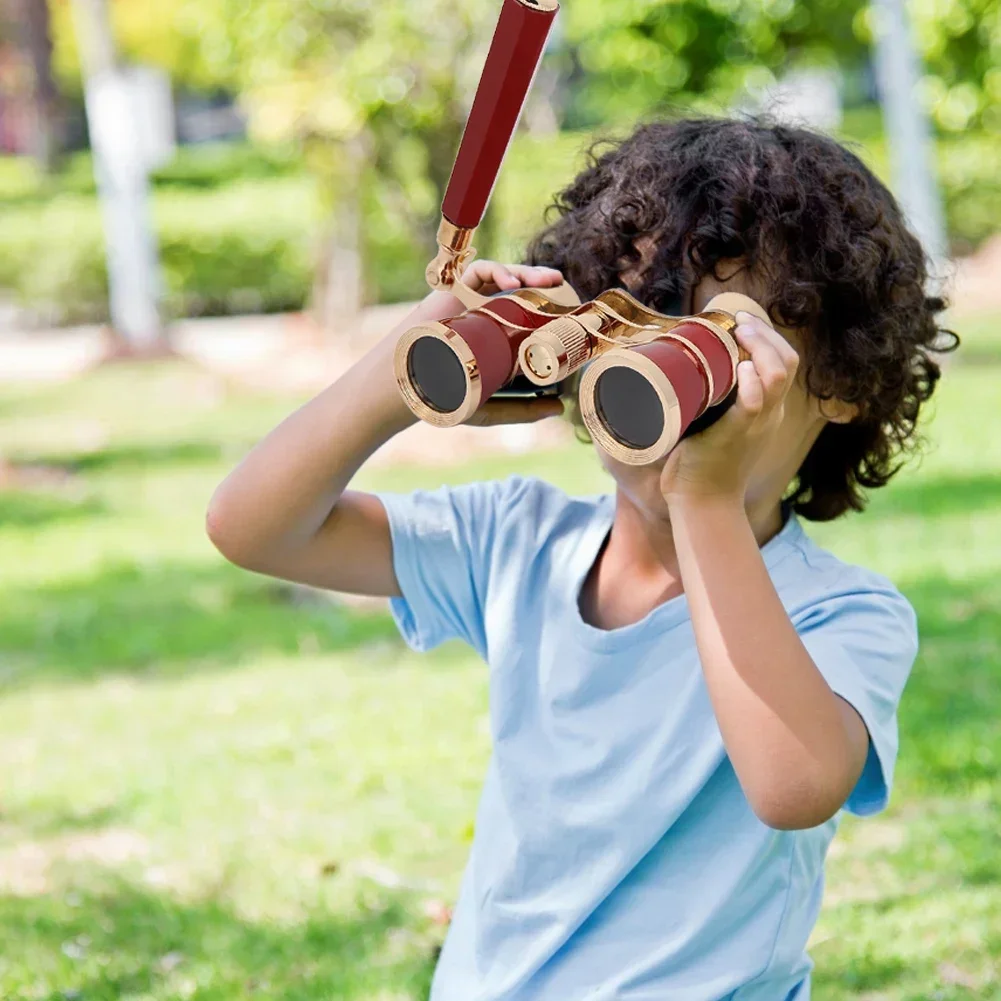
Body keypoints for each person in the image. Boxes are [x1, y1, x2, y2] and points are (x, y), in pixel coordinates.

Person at [207, 118, 954, 999]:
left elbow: (793, 785)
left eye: (713, 347)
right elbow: (253, 526)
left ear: (839, 384)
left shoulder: (840, 612)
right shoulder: (519, 541)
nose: (659, 382)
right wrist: (409, 362)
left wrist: (703, 499)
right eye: (636, 328)